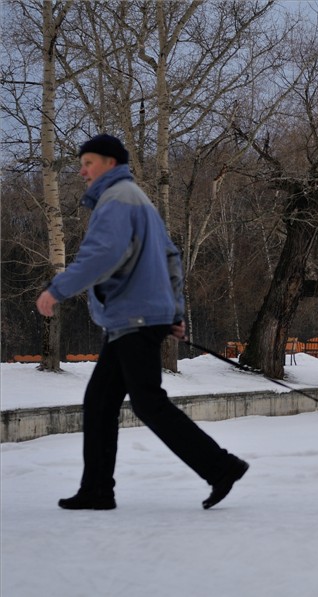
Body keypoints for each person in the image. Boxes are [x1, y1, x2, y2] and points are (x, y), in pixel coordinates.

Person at [36, 134, 248, 511]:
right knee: (100, 402)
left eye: (89, 162)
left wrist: (57, 289)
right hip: (135, 318)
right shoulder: (139, 201)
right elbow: (170, 257)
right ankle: (97, 489)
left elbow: (103, 254)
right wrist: (174, 313)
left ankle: (220, 466)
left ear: (110, 163)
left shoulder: (116, 200)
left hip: (133, 317)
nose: (82, 170)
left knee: (147, 402)